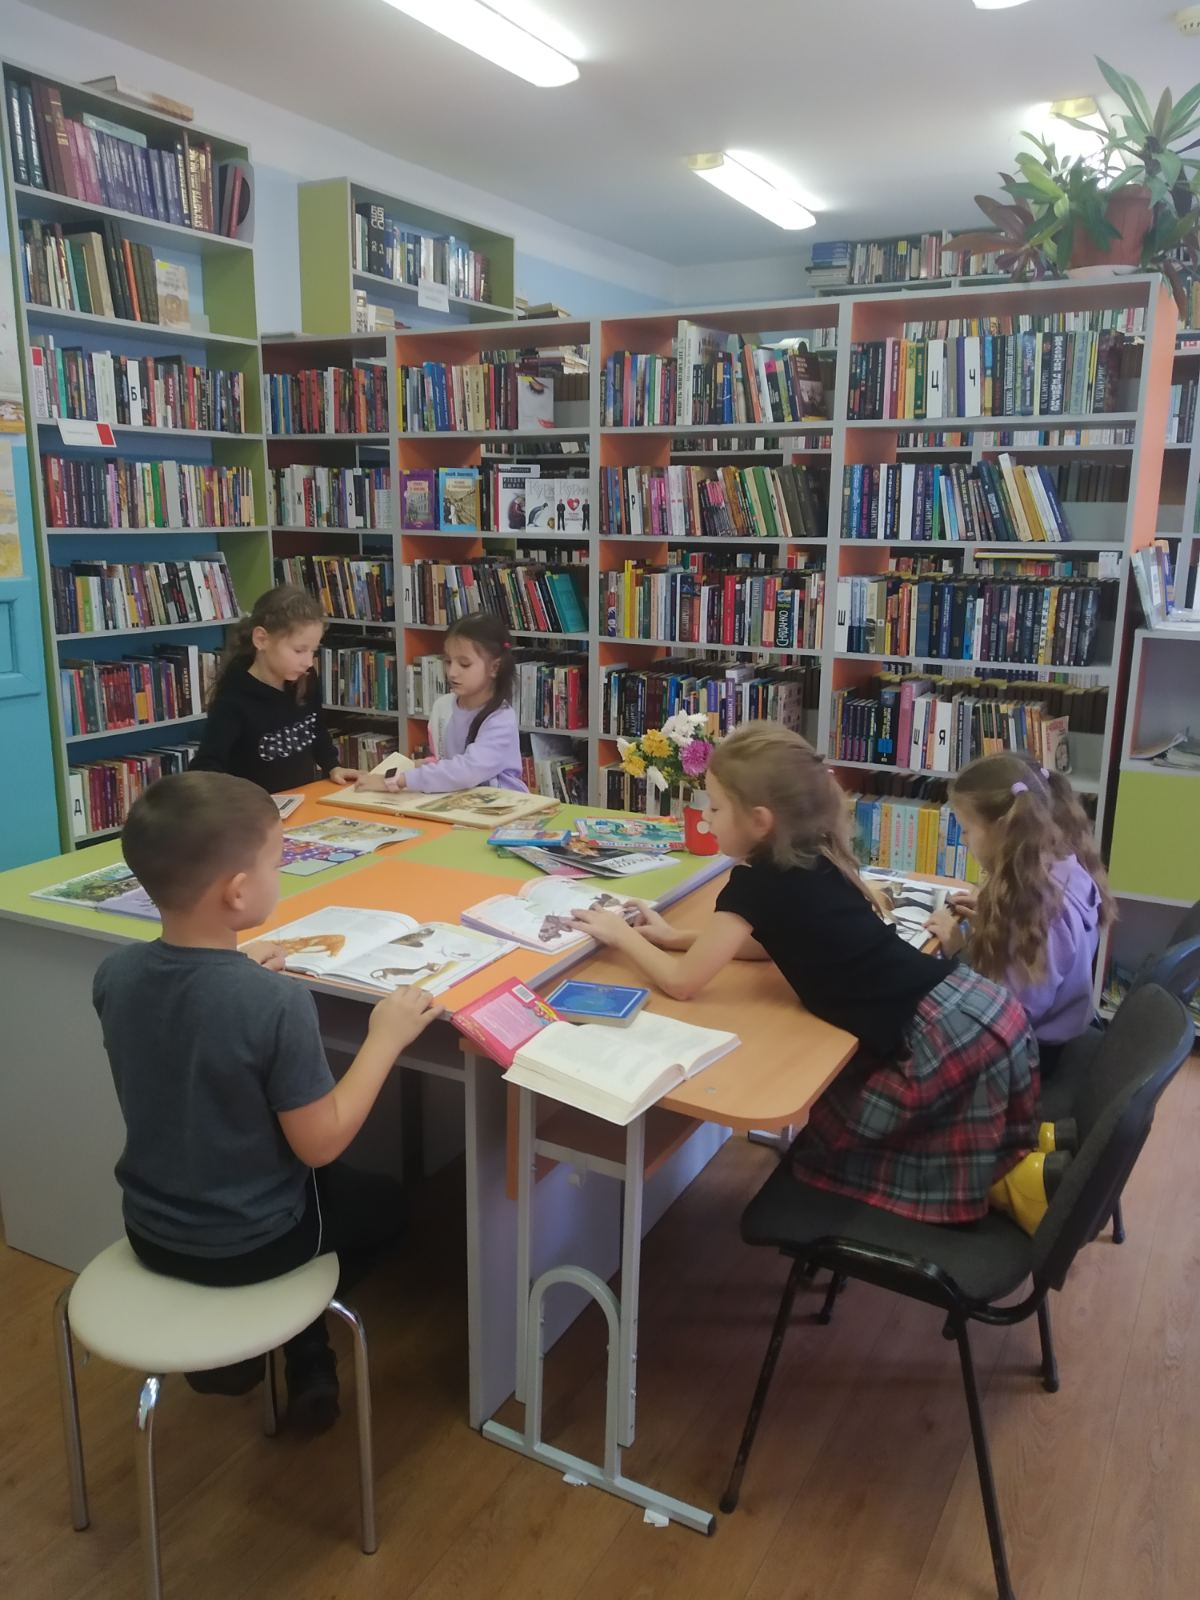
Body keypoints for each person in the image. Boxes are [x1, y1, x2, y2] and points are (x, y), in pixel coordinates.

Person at [571, 724, 1041, 1229]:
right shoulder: (810, 854)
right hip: (972, 1008)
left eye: (714, 808)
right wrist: (673, 937)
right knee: (979, 1134)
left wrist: (621, 935)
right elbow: (768, 943)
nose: (704, 819)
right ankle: (1032, 1163)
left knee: (834, 1141)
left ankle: (1023, 1184)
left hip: (942, 1038)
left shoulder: (753, 884)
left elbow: (683, 984)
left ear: (759, 820)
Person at [92, 771, 438, 1430]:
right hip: (253, 1243)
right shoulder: (275, 1004)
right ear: (238, 891)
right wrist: (385, 1038)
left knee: (314, 1177)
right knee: (389, 1206)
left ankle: (289, 1349)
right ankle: (290, 1339)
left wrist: (237, 969)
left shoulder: (115, 975)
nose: (282, 875)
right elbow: (321, 1143)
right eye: (278, 863)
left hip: (150, 1232)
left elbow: (190, 1025)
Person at [926, 753, 1112, 1079]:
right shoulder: (1065, 867)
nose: (964, 841)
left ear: (1002, 829)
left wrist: (959, 950)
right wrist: (991, 916)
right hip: (1061, 1032)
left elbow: (1008, 1015)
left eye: (966, 830)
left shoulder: (1036, 908)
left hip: (1031, 1056)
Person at [191, 585, 357, 792]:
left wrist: (332, 766)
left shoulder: (306, 678)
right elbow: (206, 766)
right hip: (256, 807)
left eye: (313, 651)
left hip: (301, 799)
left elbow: (316, 728)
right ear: (262, 639)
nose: (308, 662)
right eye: (299, 650)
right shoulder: (233, 700)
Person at [354, 613, 527, 795]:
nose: (452, 672)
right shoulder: (443, 706)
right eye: (448, 661)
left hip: (501, 802)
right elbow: (445, 760)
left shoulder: (500, 719)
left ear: (494, 668)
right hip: (457, 797)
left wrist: (399, 780)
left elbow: (468, 771)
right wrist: (417, 766)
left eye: (464, 664)